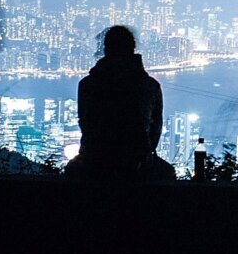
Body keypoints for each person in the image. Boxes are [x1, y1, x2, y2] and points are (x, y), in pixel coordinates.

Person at [67, 25, 175, 182]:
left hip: (93, 160)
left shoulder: (88, 84)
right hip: (137, 162)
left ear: (106, 49)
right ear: (133, 49)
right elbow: (155, 130)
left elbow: (85, 123)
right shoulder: (150, 86)